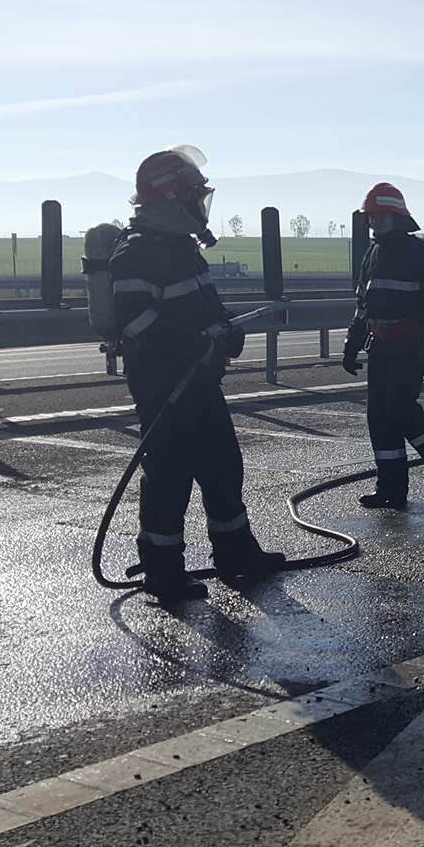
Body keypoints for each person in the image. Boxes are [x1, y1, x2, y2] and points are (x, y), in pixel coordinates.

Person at [110, 146, 283, 601]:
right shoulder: (138, 253)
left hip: (200, 380)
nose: (199, 206)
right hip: (166, 385)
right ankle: (163, 571)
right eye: (193, 196)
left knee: (223, 467)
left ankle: (238, 555)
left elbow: (204, 307)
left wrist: (224, 330)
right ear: (171, 198)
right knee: (168, 477)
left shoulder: (181, 250)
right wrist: (192, 339)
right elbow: (134, 319)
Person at [343, 183, 424, 509]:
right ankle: (391, 489)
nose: (375, 222)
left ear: (397, 216)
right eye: (371, 216)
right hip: (380, 347)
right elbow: (363, 306)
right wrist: (352, 344)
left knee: (399, 409)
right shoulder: (372, 254)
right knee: (379, 418)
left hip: (410, 346)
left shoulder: (419, 254)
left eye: (381, 215)